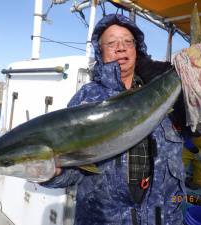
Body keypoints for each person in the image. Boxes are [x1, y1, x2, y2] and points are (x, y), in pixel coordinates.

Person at [40, 14, 185, 225]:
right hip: (105, 219)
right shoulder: (86, 99)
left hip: (164, 218)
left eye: (128, 42)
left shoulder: (161, 91)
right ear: (100, 52)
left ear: (137, 49)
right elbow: (73, 171)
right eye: (111, 43)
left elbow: (198, 130)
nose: (121, 47)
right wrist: (54, 175)